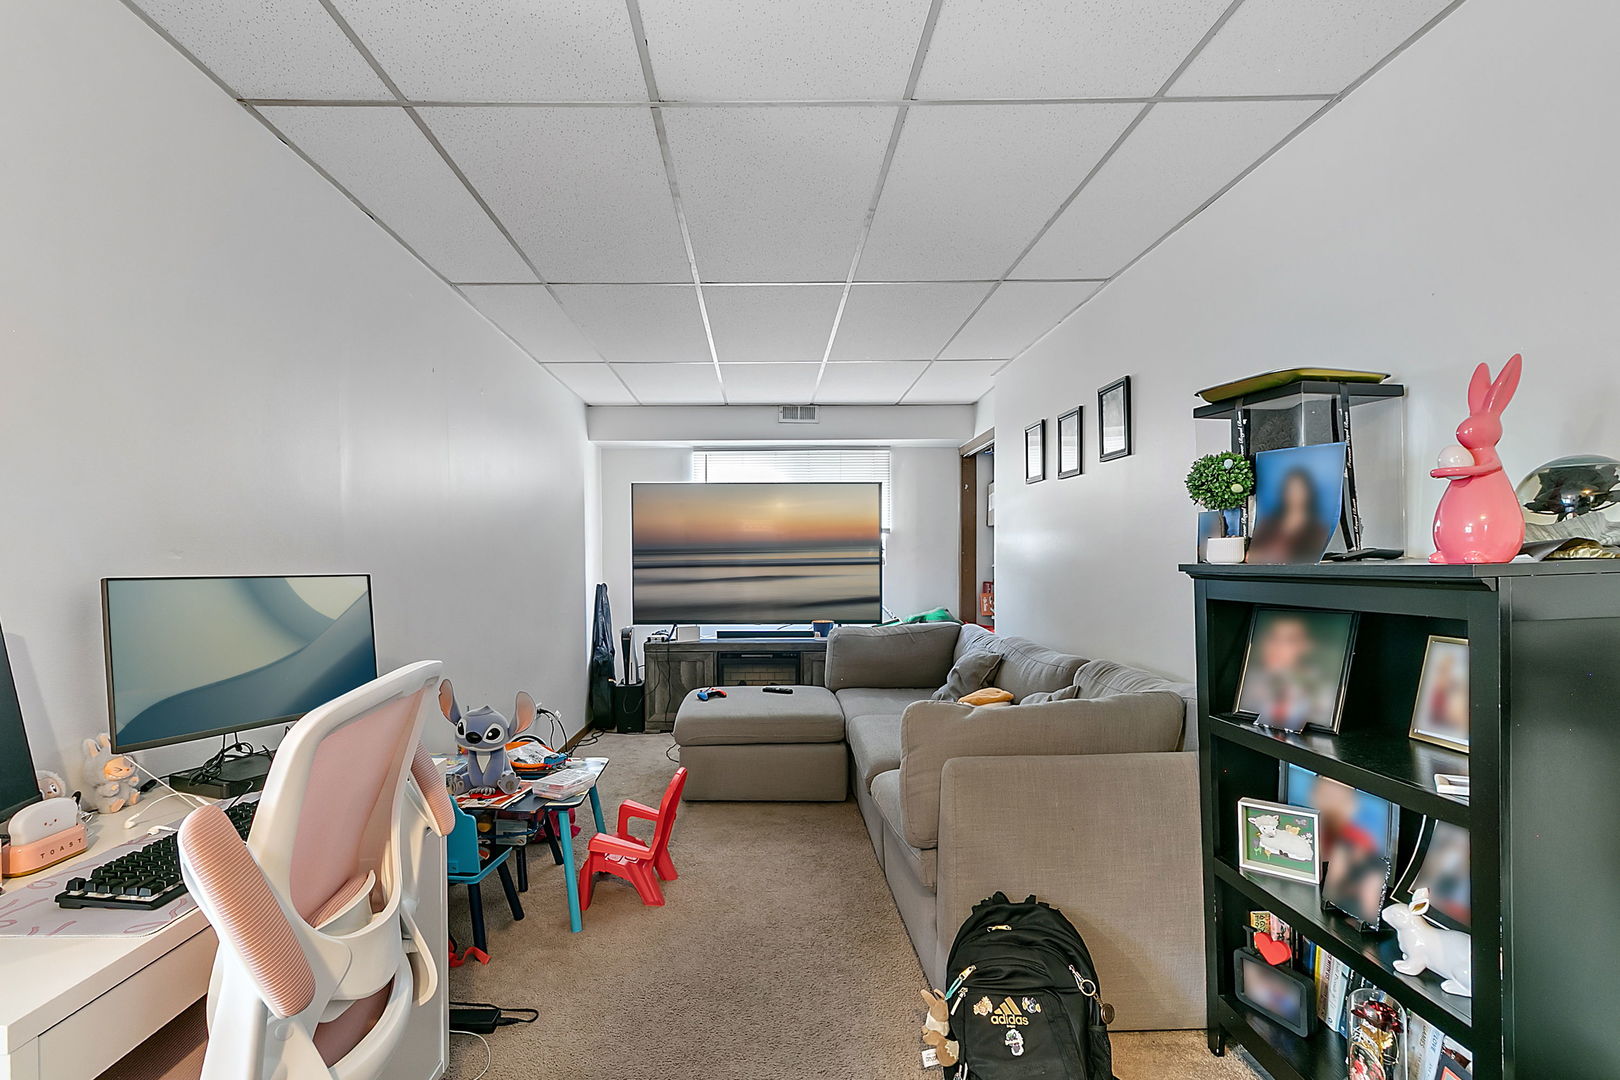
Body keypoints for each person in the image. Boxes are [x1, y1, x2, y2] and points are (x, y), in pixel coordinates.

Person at [1248, 466, 1334, 564]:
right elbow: (1251, 556)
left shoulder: (1318, 529)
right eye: (1290, 489)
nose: (1294, 494)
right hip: (1264, 570)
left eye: (1299, 489)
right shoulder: (1267, 522)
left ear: (1309, 492)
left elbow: (1308, 559)